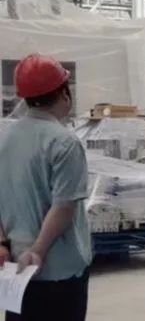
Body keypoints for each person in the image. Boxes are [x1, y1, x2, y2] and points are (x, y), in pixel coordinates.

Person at [0, 53, 91, 321]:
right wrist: (37, 252)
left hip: (15, 270)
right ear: (63, 93)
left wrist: (2, 242)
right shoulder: (65, 142)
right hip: (57, 272)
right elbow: (63, 207)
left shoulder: (5, 138)